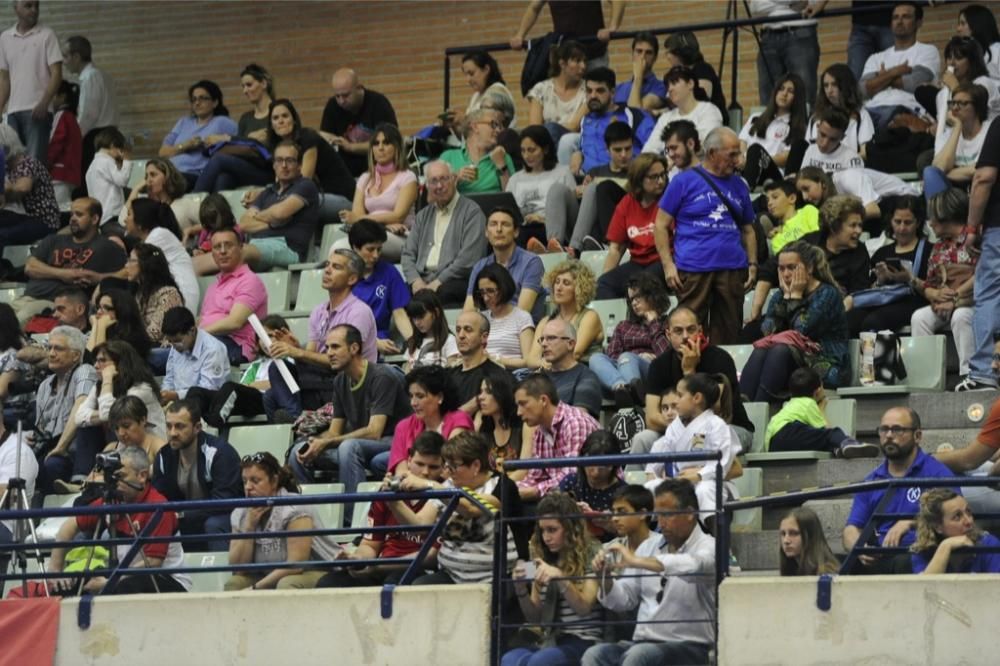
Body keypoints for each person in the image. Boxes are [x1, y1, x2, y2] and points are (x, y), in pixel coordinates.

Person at [583, 478, 715, 666]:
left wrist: (637, 560)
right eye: (658, 516)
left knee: (640, 655)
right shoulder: (649, 547)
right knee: (595, 654)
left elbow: (694, 565)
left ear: (690, 514)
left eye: (667, 515)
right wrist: (604, 579)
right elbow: (624, 600)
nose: (661, 523)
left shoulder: (709, 546)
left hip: (690, 646)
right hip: (642, 643)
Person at [654, 127, 757, 345]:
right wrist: (668, 266)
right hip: (693, 268)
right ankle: (690, 377)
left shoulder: (739, 186)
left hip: (732, 268)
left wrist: (753, 264)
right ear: (712, 153)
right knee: (688, 333)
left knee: (730, 333)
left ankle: (723, 378)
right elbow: (661, 225)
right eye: (732, 154)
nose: (738, 160)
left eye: (738, 154)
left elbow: (748, 230)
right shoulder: (683, 181)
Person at [288, 324, 410, 505]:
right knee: (298, 452)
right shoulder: (340, 381)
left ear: (354, 348)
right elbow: (334, 431)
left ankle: (352, 519)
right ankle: (312, 514)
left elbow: (374, 431)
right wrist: (316, 442)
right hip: (361, 444)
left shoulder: (382, 376)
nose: (329, 353)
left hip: (394, 440)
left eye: (335, 347)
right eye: (328, 347)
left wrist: (328, 442)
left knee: (348, 447)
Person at [49, 447, 191, 595]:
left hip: (166, 578)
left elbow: (153, 561)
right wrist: (55, 570)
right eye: (112, 477)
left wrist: (111, 581)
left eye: (120, 476)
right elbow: (69, 527)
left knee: (123, 588)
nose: (114, 482)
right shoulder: (112, 499)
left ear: (142, 476)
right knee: (68, 586)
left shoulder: (158, 506)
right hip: (123, 573)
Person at [391, 430, 525, 585]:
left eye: (454, 466)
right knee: (417, 586)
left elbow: (470, 508)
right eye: (447, 465)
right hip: (451, 575)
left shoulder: (503, 486)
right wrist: (394, 503)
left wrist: (430, 485)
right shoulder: (449, 485)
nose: (449, 472)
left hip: (497, 577)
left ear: (475, 465)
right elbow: (419, 525)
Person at [316, 431, 446, 588]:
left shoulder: (446, 496)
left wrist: (378, 565)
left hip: (417, 570)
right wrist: (358, 559)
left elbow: (431, 557)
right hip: (381, 566)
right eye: (420, 464)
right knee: (329, 583)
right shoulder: (386, 491)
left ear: (443, 468)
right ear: (409, 460)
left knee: (393, 584)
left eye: (433, 467)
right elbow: (370, 545)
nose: (425, 472)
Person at [842, 407, 956, 571]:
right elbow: (851, 529)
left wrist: (911, 523)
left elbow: (954, 521)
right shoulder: (871, 481)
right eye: (884, 429)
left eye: (897, 429)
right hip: (880, 557)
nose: (888, 435)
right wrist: (860, 547)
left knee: (903, 562)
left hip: (921, 556)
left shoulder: (938, 474)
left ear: (917, 436)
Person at [267, 249, 377, 420]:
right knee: (272, 388)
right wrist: (294, 349)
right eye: (327, 265)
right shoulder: (319, 311)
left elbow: (342, 360)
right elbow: (312, 356)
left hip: (348, 380)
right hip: (323, 379)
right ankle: (296, 418)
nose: (327, 270)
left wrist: (299, 352)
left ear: (352, 279)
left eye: (336, 267)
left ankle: (297, 421)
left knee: (274, 396)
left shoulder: (359, 311)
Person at [632, 307, 753, 460]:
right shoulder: (659, 365)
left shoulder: (720, 359)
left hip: (729, 428)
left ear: (700, 331)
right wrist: (681, 430)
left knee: (701, 440)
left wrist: (689, 372)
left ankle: (696, 480)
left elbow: (714, 412)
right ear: (668, 335)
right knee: (643, 439)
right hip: (676, 431)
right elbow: (651, 419)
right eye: (678, 331)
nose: (685, 336)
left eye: (691, 330)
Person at [740, 240, 850, 402]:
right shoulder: (780, 294)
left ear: (810, 268)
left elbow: (801, 331)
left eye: (792, 267)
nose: (785, 274)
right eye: (781, 268)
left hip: (827, 365)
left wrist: (795, 299)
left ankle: (758, 410)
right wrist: (786, 298)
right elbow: (767, 331)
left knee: (780, 350)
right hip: (792, 363)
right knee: (761, 350)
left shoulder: (827, 294)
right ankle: (743, 407)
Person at [505, 492, 603, 666]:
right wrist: (521, 590)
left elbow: (584, 607)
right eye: (542, 530)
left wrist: (561, 578)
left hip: (584, 639)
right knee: (510, 659)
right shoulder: (541, 557)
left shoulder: (592, 552)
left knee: (541, 661)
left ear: (571, 528)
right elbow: (536, 618)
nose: (546, 537)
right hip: (550, 638)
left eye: (552, 530)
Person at [226, 451, 344, 591]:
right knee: (235, 583)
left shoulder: (295, 508)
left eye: (255, 481)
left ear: (274, 481)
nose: (248, 487)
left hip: (313, 571)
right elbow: (239, 570)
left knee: (287, 584)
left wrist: (255, 588)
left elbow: (295, 564)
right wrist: (249, 527)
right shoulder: (240, 513)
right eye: (245, 481)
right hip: (267, 575)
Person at [10, 196, 125, 323]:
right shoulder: (53, 240)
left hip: (57, 305)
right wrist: (64, 274)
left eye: (79, 214)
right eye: (72, 214)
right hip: (26, 298)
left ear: (94, 219)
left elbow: (127, 275)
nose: (73, 219)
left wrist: (98, 277)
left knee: (17, 320)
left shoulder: (108, 247)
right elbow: (30, 267)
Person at [153, 399, 242, 552]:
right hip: (187, 517)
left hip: (224, 515)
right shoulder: (164, 456)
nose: (172, 433)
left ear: (197, 427)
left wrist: (181, 514)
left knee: (214, 524)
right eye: (169, 426)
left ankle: (220, 574)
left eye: (180, 426)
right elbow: (159, 497)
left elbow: (224, 501)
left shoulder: (220, 453)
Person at [645, 373, 738, 519]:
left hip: (711, 483)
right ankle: (652, 537)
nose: (676, 402)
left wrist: (699, 475)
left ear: (697, 398)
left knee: (704, 490)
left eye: (680, 396)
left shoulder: (716, 425)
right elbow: (658, 460)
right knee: (651, 488)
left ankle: (714, 537)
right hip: (681, 482)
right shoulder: (674, 427)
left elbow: (723, 464)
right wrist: (659, 477)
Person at [909, 188, 977, 381]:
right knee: (919, 317)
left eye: (933, 217)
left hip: (975, 302)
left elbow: (984, 276)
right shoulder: (939, 246)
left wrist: (955, 298)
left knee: (961, 316)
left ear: (946, 215)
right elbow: (932, 282)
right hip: (946, 304)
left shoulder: (975, 239)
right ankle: (925, 378)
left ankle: (971, 375)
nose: (930, 223)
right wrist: (937, 296)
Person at [400, 160, 488, 306]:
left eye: (444, 179)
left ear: (454, 179)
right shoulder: (423, 215)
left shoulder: (472, 212)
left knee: (439, 296)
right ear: (427, 185)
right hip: (422, 280)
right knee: (396, 293)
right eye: (433, 181)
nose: (439, 186)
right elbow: (407, 254)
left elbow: (468, 260)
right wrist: (415, 281)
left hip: (454, 281)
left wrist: (438, 282)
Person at [846, 195, 930, 336]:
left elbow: (932, 289)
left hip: (914, 301)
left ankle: (877, 358)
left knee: (873, 322)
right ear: (890, 221)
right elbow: (870, 289)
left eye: (908, 222)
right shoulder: (882, 252)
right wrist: (881, 279)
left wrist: (909, 279)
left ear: (918, 222)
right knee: (848, 321)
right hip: (884, 301)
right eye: (897, 222)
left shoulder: (929, 250)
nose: (902, 228)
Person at [232, 140, 320, 271]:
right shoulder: (267, 192)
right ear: (273, 165)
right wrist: (272, 222)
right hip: (256, 245)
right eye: (279, 160)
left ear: (299, 165)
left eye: (290, 160)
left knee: (235, 253)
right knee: (215, 256)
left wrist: (259, 216)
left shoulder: (306, 185)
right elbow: (244, 224)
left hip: (288, 249)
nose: (284, 165)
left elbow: (280, 213)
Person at [338, 123, 417, 263]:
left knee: (357, 249)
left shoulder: (408, 177)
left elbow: (398, 216)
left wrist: (364, 220)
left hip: (400, 235)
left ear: (397, 147)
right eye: (376, 143)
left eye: (386, 143)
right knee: (337, 249)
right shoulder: (365, 178)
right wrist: (383, 224)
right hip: (371, 233)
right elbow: (358, 216)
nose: (380, 148)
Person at [191, 63, 276, 193]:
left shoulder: (278, 111)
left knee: (219, 159)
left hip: (269, 170)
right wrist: (251, 140)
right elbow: (242, 148)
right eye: (243, 87)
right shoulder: (246, 118)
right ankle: (212, 212)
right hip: (248, 167)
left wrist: (249, 142)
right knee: (223, 178)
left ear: (263, 83)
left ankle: (193, 199)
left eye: (249, 85)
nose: (245, 91)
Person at [589, 273, 670, 407]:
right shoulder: (624, 326)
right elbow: (612, 356)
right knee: (596, 358)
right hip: (623, 368)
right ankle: (624, 388)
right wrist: (630, 359)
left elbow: (667, 356)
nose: (634, 302)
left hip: (652, 372)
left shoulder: (667, 322)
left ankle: (628, 391)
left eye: (638, 297)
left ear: (652, 295)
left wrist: (654, 324)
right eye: (631, 299)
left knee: (627, 356)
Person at [515, 373, 600, 501]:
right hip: (563, 499)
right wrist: (512, 490)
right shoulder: (540, 431)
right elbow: (535, 477)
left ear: (543, 400)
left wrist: (534, 491)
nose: (518, 412)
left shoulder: (575, 423)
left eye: (523, 404)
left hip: (593, 498)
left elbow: (573, 477)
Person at [860, 2, 941, 133]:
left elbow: (916, 83)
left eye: (906, 17)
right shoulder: (875, 57)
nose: (899, 21)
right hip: (871, 109)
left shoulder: (927, 51)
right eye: (895, 17)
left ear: (919, 22)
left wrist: (881, 77)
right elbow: (863, 90)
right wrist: (896, 72)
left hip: (905, 108)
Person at [596, 153, 668, 299]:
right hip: (638, 262)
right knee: (604, 284)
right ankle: (616, 322)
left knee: (640, 283)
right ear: (639, 179)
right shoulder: (627, 203)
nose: (660, 181)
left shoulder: (669, 198)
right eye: (653, 177)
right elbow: (615, 249)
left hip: (663, 260)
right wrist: (605, 278)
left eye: (662, 175)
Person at [35, 326, 97, 494]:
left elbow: (81, 407)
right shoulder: (44, 386)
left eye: (58, 348)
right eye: (50, 348)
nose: (51, 353)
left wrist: (60, 447)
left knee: (51, 464)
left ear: (76, 355)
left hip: (74, 453)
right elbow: (40, 429)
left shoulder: (85, 371)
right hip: (50, 449)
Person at [0, 0, 62, 162]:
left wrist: (44, 103)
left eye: (36, 6)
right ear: (16, 8)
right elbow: (4, 80)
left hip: (38, 111)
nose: (34, 10)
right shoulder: (5, 38)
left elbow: (57, 73)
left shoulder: (47, 34)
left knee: (34, 164)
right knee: (14, 164)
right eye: (28, 6)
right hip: (12, 113)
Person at [384, 364, 472, 477]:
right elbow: (401, 472)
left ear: (440, 397)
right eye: (411, 396)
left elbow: (451, 468)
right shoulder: (403, 426)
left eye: (420, 396)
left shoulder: (459, 420)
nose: (413, 403)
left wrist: (421, 482)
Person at [765, 367, 877, 456]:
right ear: (818, 391)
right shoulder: (808, 403)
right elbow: (825, 429)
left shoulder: (790, 404)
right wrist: (822, 409)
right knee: (831, 434)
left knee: (816, 439)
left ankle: (836, 450)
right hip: (788, 431)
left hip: (773, 443)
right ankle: (847, 443)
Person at [198, 227, 267, 366]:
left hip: (236, 346)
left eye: (228, 245)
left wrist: (196, 336)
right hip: (209, 341)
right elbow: (202, 320)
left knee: (168, 356)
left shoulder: (250, 280)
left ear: (241, 248)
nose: (222, 251)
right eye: (217, 247)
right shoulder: (213, 287)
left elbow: (235, 322)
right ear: (212, 254)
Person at [464, 205, 546, 322]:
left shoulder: (531, 262)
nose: (498, 229)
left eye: (505, 224)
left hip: (520, 331)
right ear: (486, 232)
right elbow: (469, 310)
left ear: (516, 232)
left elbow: (522, 313)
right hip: (488, 330)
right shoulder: (480, 266)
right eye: (493, 224)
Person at [571, 67, 654, 177]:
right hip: (586, 179)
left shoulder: (633, 116)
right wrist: (578, 153)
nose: (593, 96)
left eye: (600, 91)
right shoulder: (586, 120)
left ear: (613, 92)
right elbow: (586, 148)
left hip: (621, 178)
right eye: (589, 91)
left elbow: (655, 148)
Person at [506, 124, 576, 254]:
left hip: (550, 227)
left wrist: (544, 220)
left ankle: (553, 249)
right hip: (523, 227)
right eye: (523, 151)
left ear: (545, 149)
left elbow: (571, 210)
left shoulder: (562, 172)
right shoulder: (515, 179)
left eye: (531, 150)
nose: (527, 156)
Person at [347, 219, 412, 354]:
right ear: (355, 247)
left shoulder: (389, 272)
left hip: (379, 340)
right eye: (370, 249)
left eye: (379, 249)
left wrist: (413, 342)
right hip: (348, 341)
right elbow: (339, 321)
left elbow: (399, 313)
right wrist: (371, 343)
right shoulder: (342, 274)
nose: (376, 255)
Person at [320, 68, 398, 177]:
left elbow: (391, 142)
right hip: (345, 173)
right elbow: (324, 135)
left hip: (377, 170)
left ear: (359, 88)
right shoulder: (332, 106)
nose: (341, 101)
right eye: (337, 96)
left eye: (346, 95)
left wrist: (351, 147)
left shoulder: (378, 103)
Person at [159, 80, 237, 189]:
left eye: (202, 98)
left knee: (165, 183)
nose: (197, 103)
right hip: (171, 173)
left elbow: (239, 142)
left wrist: (217, 142)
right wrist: (185, 145)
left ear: (215, 102)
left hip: (197, 175)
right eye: (194, 99)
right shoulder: (183, 122)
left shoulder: (222, 122)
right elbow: (163, 153)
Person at [901, 489, 1000, 575]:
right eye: (957, 517)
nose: (969, 521)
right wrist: (945, 547)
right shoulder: (923, 551)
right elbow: (926, 590)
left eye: (968, 512)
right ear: (937, 527)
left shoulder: (988, 544)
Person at [125, 198, 199, 313]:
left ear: (139, 222)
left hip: (180, 297)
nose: (125, 220)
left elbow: (133, 268)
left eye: (129, 214)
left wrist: (100, 277)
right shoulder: (150, 239)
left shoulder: (158, 235)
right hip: (164, 295)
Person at [526, 259, 603, 369]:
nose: (558, 288)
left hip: (582, 374)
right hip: (552, 372)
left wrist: (547, 363)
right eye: (557, 282)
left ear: (579, 289)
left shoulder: (589, 316)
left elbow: (575, 353)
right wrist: (543, 364)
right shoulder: (545, 322)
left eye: (566, 283)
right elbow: (531, 360)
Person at [738, 73, 808, 190]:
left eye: (790, 91)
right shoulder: (756, 117)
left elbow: (785, 158)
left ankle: (744, 190)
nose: (784, 94)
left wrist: (756, 160)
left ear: (797, 97)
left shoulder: (797, 126)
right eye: (781, 89)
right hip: (746, 165)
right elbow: (742, 142)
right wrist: (744, 158)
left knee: (755, 149)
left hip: (773, 172)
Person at [925, 81, 993, 201]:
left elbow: (979, 171)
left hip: (985, 191)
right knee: (929, 172)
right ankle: (939, 219)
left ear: (977, 107)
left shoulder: (991, 131)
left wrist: (948, 172)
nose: (955, 108)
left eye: (963, 103)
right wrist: (957, 128)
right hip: (955, 191)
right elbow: (937, 169)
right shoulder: (948, 134)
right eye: (953, 103)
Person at [750, 0, 825, 106]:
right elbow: (755, 7)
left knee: (804, 97)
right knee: (768, 101)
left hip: (800, 32)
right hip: (768, 36)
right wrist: (790, 3)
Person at [61, 35, 119, 174]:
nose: (63, 62)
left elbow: (88, 115)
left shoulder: (90, 77)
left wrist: (74, 139)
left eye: (65, 56)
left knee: (91, 184)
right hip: (109, 135)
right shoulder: (103, 76)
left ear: (76, 57)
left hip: (96, 138)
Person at [509, 0, 624, 69]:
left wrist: (611, 27)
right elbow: (534, 8)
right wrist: (520, 35)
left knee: (597, 98)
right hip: (566, 59)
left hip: (593, 55)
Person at [0, 123, 60, 248]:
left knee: (2, 235)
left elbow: (23, 187)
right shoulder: (8, 168)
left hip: (42, 221)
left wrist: (4, 187)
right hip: (22, 217)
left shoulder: (28, 163)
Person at [558, 431, 626, 541]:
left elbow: (633, 534)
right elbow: (548, 512)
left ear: (614, 465)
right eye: (590, 464)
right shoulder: (571, 483)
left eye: (603, 467)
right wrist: (570, 509)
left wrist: (612, 527)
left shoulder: (623, 493)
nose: (595, 473)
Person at [643, 66, 723, 155]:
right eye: (668, 86)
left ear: (690, 84)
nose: (670, 89)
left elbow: (703, 144)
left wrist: (668, 151)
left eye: (674, 83)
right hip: (669, 168)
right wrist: (666, 153)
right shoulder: (665, 118)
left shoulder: (708, 110)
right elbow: (650, 149)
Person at [160, 306, 230, 406]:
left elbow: (207, 391)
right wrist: (164, 394)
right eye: (170, 342)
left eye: (177, 341)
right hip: (178, 407)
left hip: (204, 408)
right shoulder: (176, 346)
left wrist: (176, 395)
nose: (174, 346)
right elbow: (169, 380)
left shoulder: (213, 349)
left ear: (192, 331)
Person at [449, 311, 513, 416]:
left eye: (468, 330)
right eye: (458, 330)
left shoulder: (497, 376)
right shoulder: (448, 375)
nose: (461, 335)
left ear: (484, 337)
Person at [536, 318, 603, 418]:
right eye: (542, 339)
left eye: (551, 338)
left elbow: (579, 421)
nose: (544, 344)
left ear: (570, 344)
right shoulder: (539, 378)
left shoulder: (586, 378)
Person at [526, 40, 587, 148]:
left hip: (574, 144)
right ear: (562, 64)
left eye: (584, 61)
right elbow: (534, 128)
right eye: (577, 61)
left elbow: (574, 126)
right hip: (544, 144)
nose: (583, 66)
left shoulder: (588, 90)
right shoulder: (541, 89)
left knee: (551, 129)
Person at [473, 263, 534, 371]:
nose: (486, 298)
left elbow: (528, 361)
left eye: (491, 291)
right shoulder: (481, 318)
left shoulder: (522, 317)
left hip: (510, 375)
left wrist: (495, 359)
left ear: (503, 288)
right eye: (482, 292)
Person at [440, 108, 516, 195]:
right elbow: (438, 197)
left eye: (499, 126)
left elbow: (512, 198)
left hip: (492, 207)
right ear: (475, 126)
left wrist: (503, 168)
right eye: (493, 124)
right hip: (461, 207)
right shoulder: (449, 157)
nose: (498, 130)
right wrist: (455, 178)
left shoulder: (502, 157)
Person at [126, 242, 185, 355]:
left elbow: (154, 333)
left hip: (166, 349)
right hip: (146, 347)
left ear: (145, 264)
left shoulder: (168, 294)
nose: (126, 265)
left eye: (131, 261)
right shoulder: (139, 293)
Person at [809, 63, 875, 159]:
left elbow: (866, 152)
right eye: (826, 86)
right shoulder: (816, 117)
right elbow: (808, 151)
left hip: (849, 169)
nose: (829, 90)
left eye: (834, 85)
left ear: (846, 86)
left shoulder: (861, 115)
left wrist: (842, 162)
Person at [662, 31, 728, 125]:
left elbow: (700, 98)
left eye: (668, 52)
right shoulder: (676, 75)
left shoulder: (703, 69)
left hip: (708, 122)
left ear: (679, 52)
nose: (667, 57)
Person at [118, 157, 197, 234]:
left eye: (153, 175)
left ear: (167, 177)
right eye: (146, 176)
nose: (148, 180)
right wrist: (135, 189)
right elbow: (122, 222)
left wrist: (191, 230)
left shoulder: (185, 203)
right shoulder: (147, 207)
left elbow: (207, 222)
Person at [477, 372, 530, 476]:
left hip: (517, 488)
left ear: (503, 393)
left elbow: (524, 471)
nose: (480, 397)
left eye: (488, 392)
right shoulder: (484, 430)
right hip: (490, 489)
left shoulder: (525, 425)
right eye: (480, 392)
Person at [87, 287, 153, 360]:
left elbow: (100, 362)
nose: (99, 312)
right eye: (98, 307)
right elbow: (87, 363)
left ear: (122, 311)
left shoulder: (134, 339)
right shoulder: (102, 330)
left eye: (107, 308)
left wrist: (100, 327)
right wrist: (96, 326)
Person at [46, 79, 81, 210]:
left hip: (59, 172)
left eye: (51, 95)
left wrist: (45, 163)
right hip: (70, 173)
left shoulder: (61, 116)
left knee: (58, 209)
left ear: (62, 96)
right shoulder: (72, 118)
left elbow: (55, 141)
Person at [404, 289, 459, 371]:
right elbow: (407, 372)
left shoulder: (449, 341)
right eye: (414, 318)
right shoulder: (413, 342)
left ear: (436, 312)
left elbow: (451, 373)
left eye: (421, 317)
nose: (417, 322)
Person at [85, 126, 131, 225]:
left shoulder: (92, 166)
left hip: (101, 216)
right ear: (113, 145)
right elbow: (122, 180)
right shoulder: (106, 161)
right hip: (112, 215)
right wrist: (127, 160)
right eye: (121, 149)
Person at [762, 179, 820, 255]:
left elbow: (818, 237)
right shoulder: (776, 238)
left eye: (775, 197)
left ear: (792, 198)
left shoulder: (808, 211)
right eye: (767, 200)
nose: (769, 203)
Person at [778, 506, 839, 576]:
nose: (786, 541)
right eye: (783, 534)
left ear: (810, 536)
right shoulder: (792, 568)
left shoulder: (827, 573)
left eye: (794, 533)